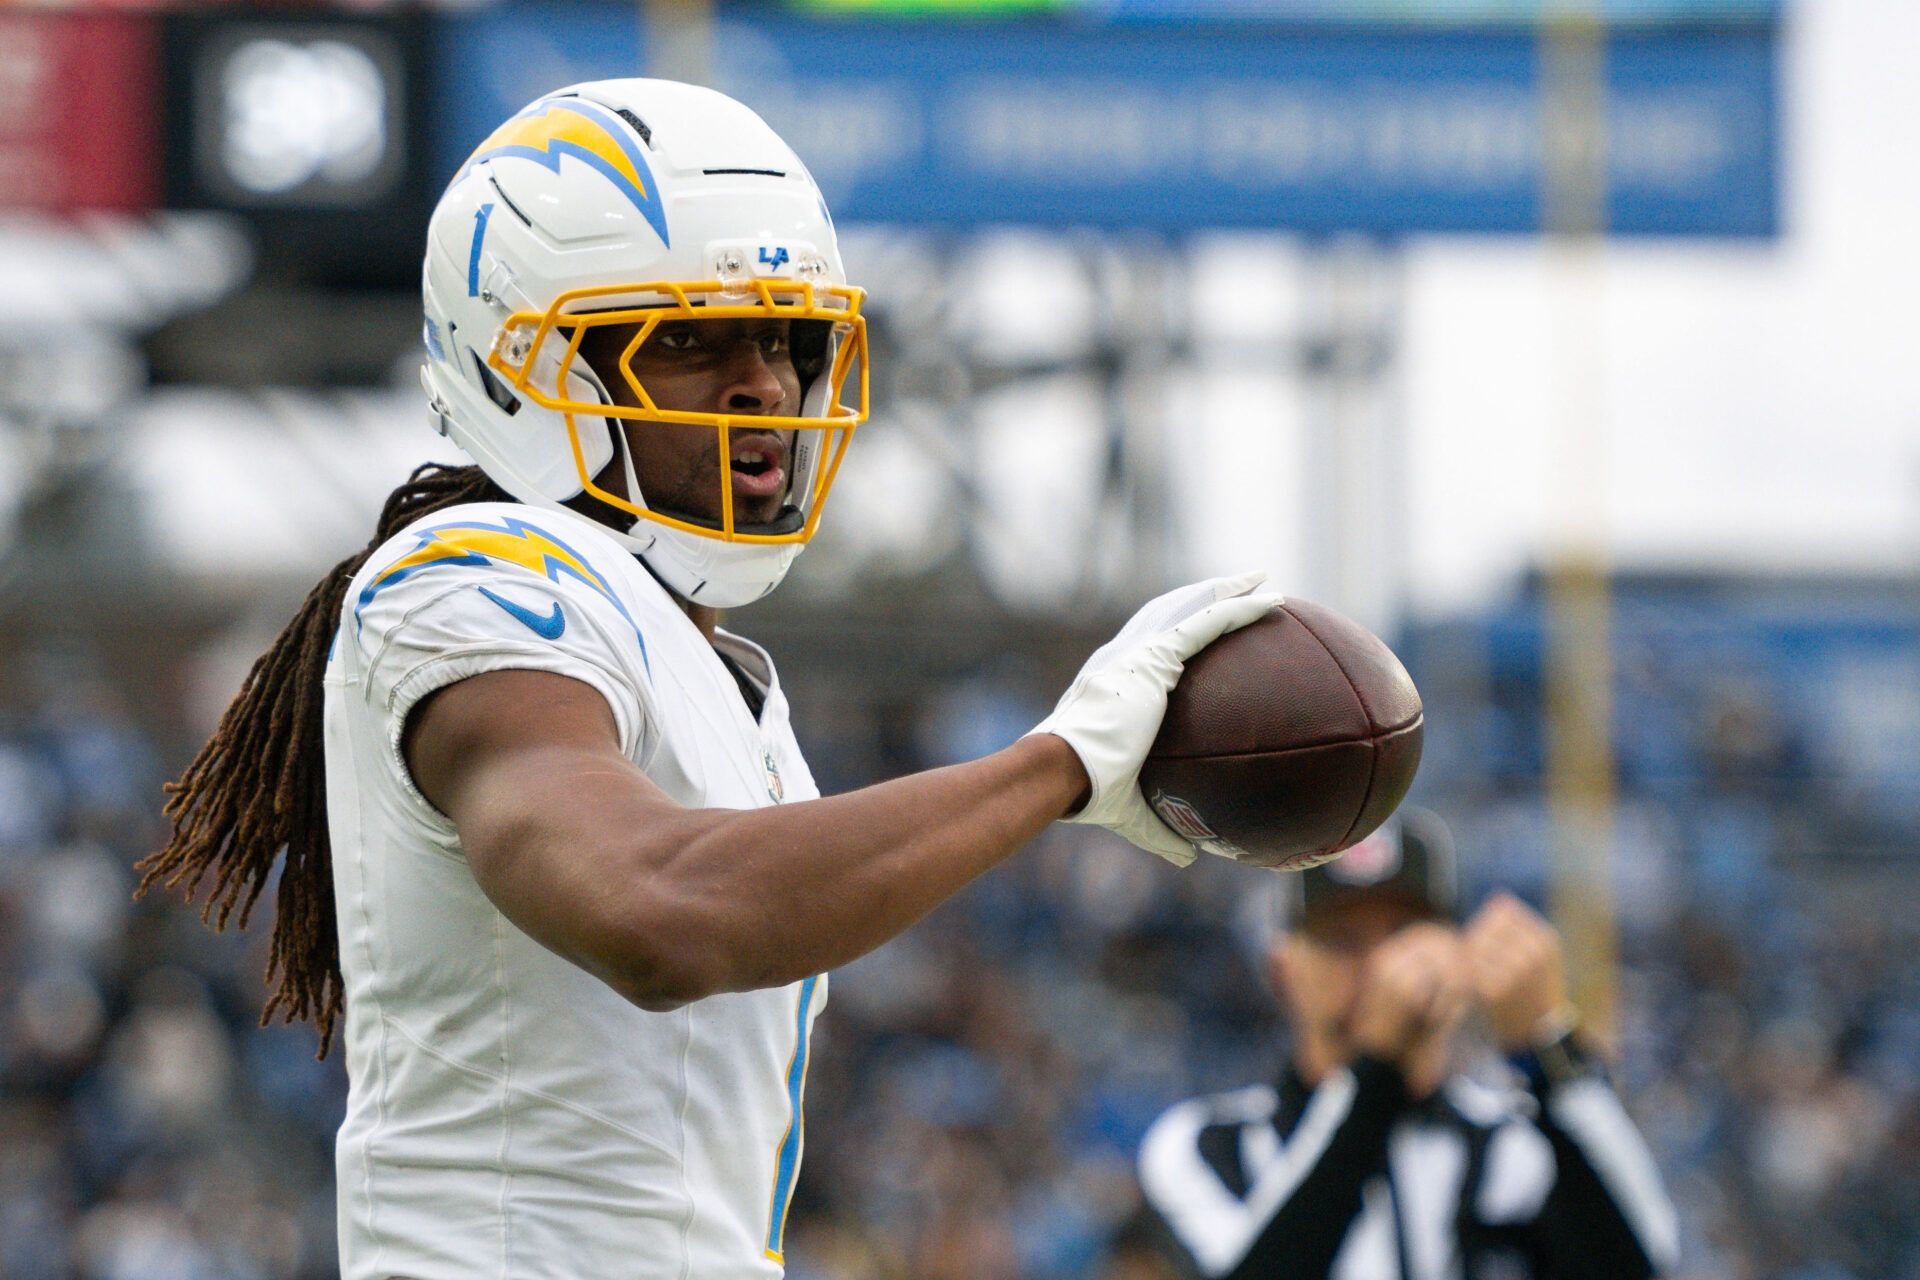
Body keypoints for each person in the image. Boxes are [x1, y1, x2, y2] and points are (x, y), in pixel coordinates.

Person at [135, 79, 1281, 1277]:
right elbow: (658, 912)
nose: (766, 387)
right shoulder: (471, 575)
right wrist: (1055, 766)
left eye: (787, 338)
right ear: (527, 364)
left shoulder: (709, 665)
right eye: (689, 339)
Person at [1120, 810, 1680, 1280]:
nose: (1384, 967)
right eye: (1343, 941)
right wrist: (1376, 1071)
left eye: (1405, 935)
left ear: (1461, 957)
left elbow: (1643, 1262)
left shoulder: (1507, 1146)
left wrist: (1549, 1052)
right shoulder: (1204, 1145)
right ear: (1283, 970)